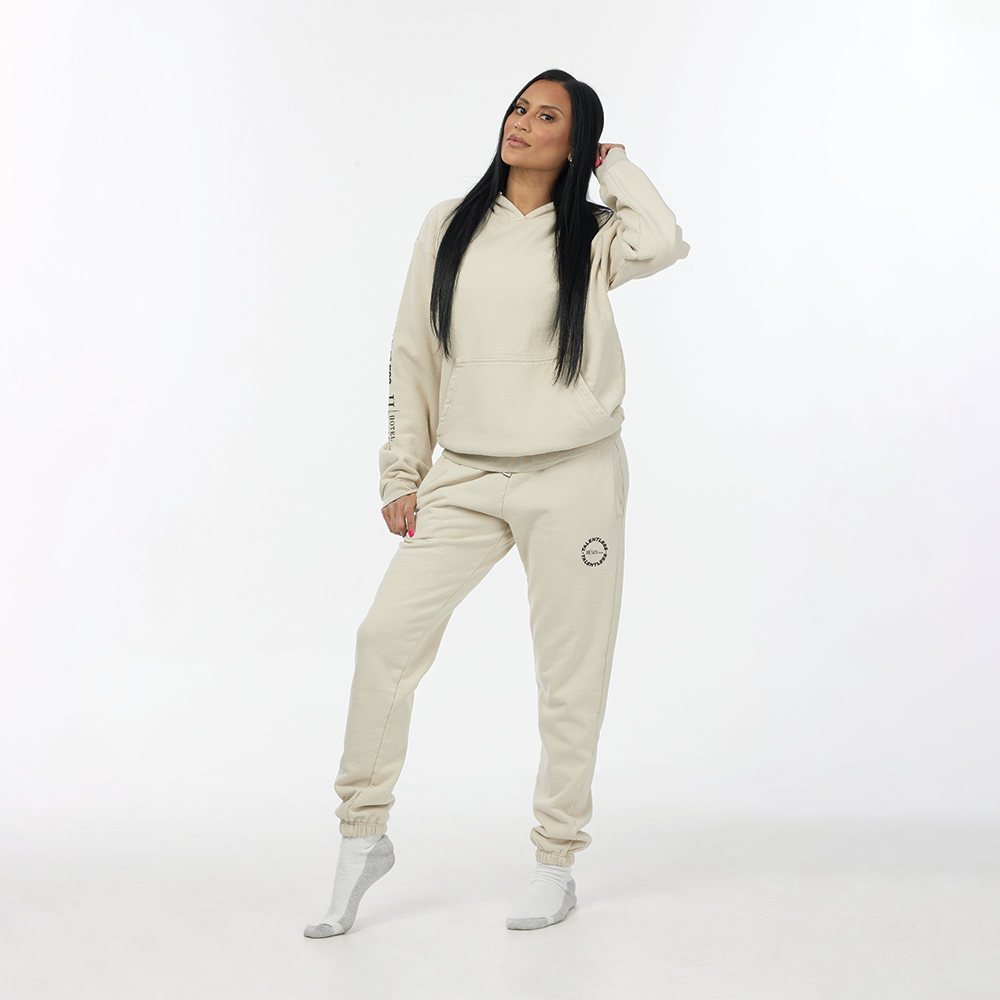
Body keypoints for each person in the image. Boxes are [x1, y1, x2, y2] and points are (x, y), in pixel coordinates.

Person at [304, 68, 689, 937]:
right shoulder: (448, 224)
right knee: (385, 638)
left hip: (573, 475)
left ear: (574, 141)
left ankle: (556, 860)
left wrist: (613, 164)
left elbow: (665, 241)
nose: (522, 123)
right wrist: (402, 472)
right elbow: (413, 350)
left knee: (568, 674)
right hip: (467, 474)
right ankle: (362, 835)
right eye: (519, 107)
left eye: (548, 116)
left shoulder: (595, 234)